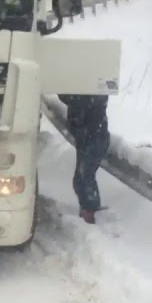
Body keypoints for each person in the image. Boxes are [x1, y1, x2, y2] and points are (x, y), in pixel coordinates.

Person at [59, 94, 110, 224]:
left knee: (84, 178)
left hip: (94, 139)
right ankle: (87, 210)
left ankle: (90, 213)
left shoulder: (90, 92)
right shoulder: (86, 91)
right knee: (81, 179)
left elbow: (73, 100)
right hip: (88, 139)